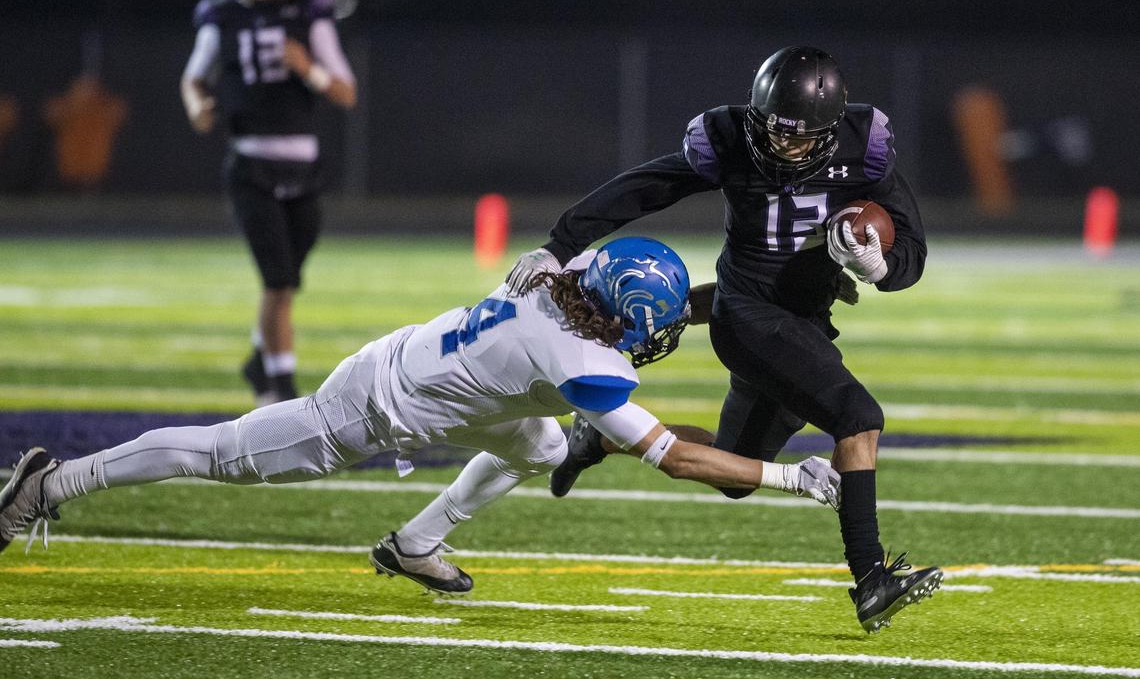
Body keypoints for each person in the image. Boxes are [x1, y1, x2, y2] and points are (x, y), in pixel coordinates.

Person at [0, 238, 841, 599]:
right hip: (373, 407)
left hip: (434, 369)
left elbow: (641, 304)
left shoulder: (573, 274)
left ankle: (416, 544)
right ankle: (52, 482)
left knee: (541, 442)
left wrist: (752, 301)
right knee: (220, 455)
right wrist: (789, 477)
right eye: (646, 329)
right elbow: (681, 460)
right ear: (614, 317)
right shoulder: (583, 365)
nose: (654, 339)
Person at [504, 47, 941, 633]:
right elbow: (646, 187)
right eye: (772, 131)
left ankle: (599, 440)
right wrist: (559, 245)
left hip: (803, 321)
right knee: (858, 417)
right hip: (747, 316)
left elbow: (911, 250)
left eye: (798, 137)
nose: (781, 146)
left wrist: (878, 266)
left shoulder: (865, 147)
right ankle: (871, 579)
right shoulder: (729, 139)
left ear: (830, 132)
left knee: (738, 471)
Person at [180, 0, 357, 406]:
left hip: (304, 170)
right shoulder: (222, 15)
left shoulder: (309, 15)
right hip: (250, 167)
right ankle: (283, 389)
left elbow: (346, 92)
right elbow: (193, 78)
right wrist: (196, 106)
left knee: (288, 281)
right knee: (277, 282)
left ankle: (262, 359)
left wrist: (307, 69)